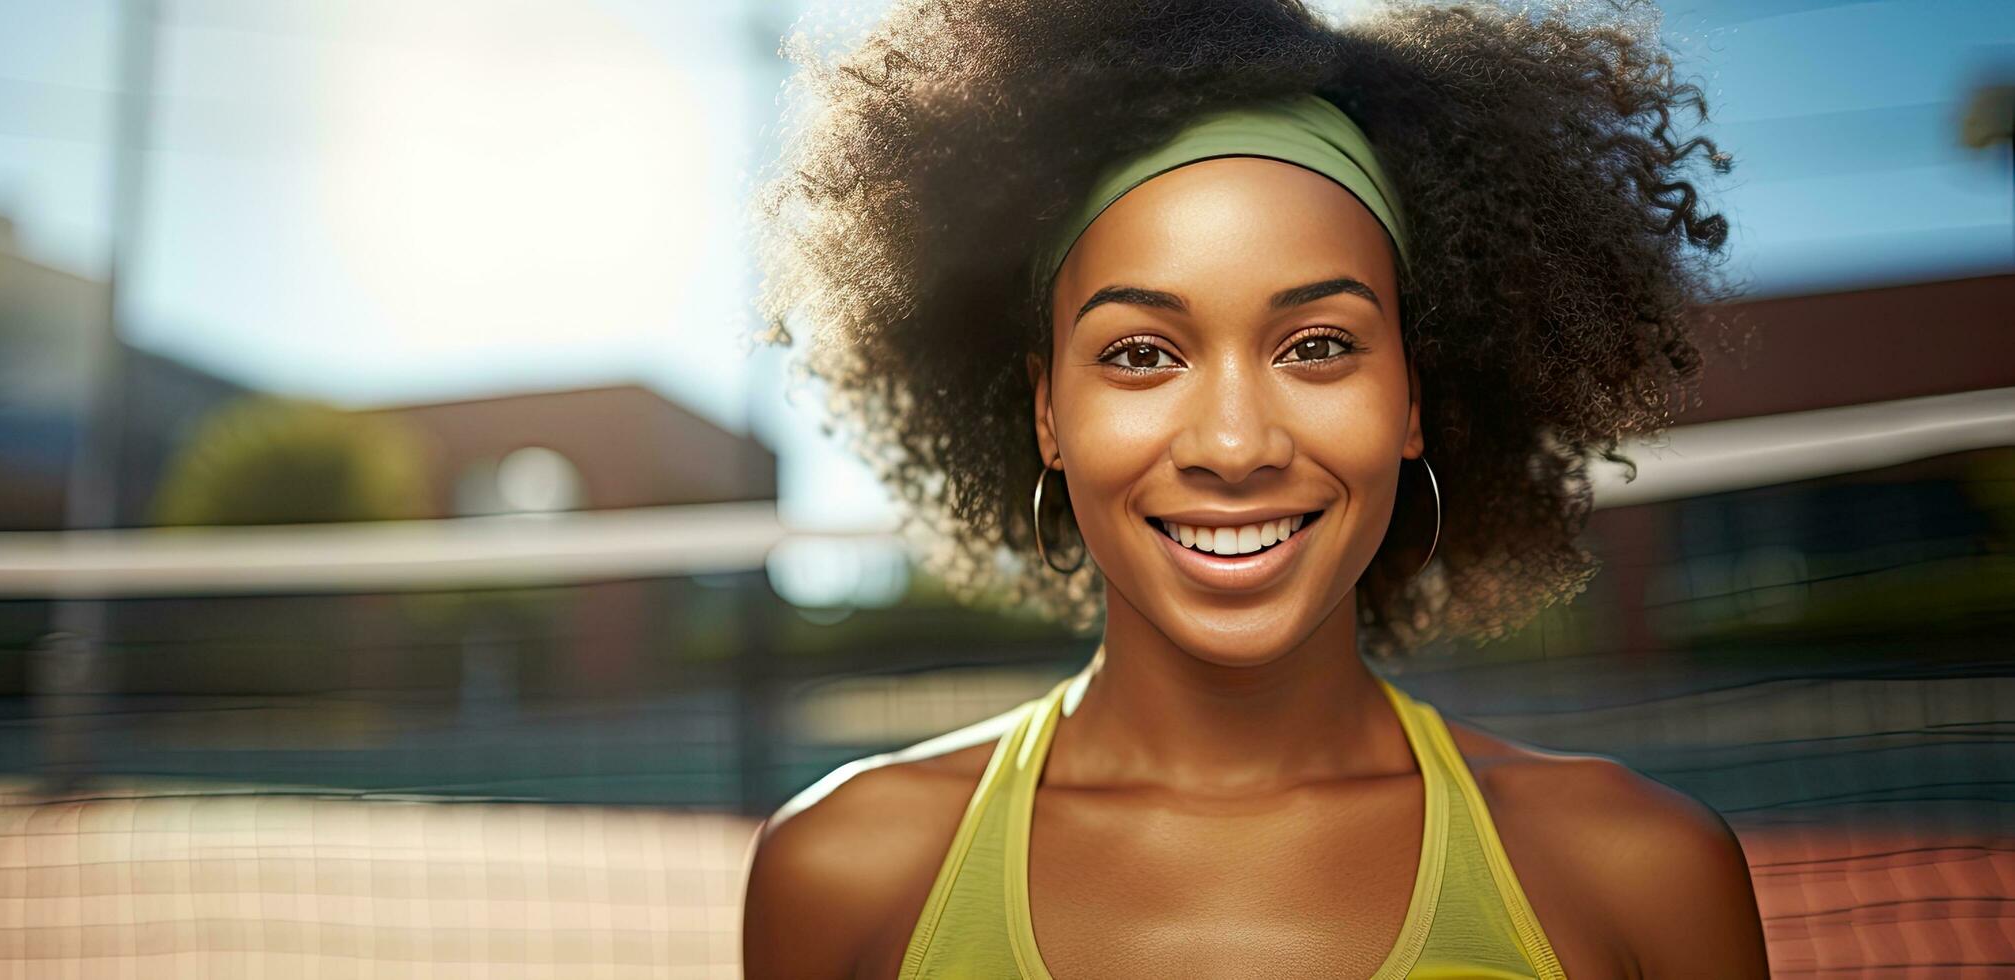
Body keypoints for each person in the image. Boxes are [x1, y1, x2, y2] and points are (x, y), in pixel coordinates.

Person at [740, 0, 1770, 976]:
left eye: (1316, 345)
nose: (1234, 445)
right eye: (1141, 353)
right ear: (1046, 410)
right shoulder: (843, 874)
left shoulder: (1639, 874)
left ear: (1413, 393)